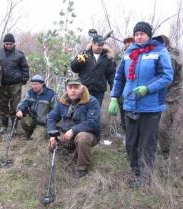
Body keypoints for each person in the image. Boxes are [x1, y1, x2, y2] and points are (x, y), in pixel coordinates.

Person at [108, 21, 173, 187]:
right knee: (131, 143)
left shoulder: (160, 51)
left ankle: (145, 179)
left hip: (151, 107)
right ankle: (135, 171)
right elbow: (119, 77)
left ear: (148, 35)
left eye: (141, 34)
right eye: (136, 34)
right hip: (130, 105)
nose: (138, 37)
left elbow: (166, 76)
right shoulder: (129, 52)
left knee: (147, 144)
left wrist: (148, 89)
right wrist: (115, 98)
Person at [47, 77, 101, 178]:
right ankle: (70, 154)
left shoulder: (92, 101)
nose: (73, 90)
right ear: (66, 89)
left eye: (76, 87)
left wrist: (73, 130)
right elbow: (51, 118)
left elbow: (93, 122)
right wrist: (52, 134)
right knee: (51, 145)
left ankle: (82, 168)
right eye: (70, 87)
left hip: (88, 134)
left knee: (82, 138)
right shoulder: (62, 101)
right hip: (67, 134)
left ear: (82, 88)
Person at [0, 33, 29, 133]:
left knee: (15, 106)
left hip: (15, 84)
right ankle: (4, 126)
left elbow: (25, 68)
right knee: (2, 106)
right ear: (4, 43)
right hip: (1, 84)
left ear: (14, 44)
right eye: (7, 43)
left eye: (10, 44)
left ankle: (14, 127)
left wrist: (24, 79)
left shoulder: (19, 54)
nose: (9, 45)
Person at [71, 35, 115, 106]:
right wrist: (78, 62)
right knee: (82, 112)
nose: (100, 47)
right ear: (93, 44)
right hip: (83, 90)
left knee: (94, 113)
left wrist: (114, 94)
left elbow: (111, 76)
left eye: (102, 45)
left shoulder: (107, 58)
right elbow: (74, 69)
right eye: (98, 45)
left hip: (98, 92)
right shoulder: (84, 54)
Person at [158, 35, 182, 159]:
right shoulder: (159, 53)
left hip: (170, 97)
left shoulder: (173, 55)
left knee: (163, 124)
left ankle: (166, 153)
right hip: (158, 96)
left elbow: (167, 78)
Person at [16, 75, 57, 140]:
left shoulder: (51, 94)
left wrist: (47, 119)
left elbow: (56, 111)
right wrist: (20, 110)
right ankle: (29, 133)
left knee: (35, 139)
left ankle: (44, 133)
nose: (34, 86)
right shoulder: (30, 93)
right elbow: (24, 103)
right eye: (32, 84)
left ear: (42, 84)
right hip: (33, 120)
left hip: (44, 124)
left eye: (36, 84)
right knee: (24, 121)